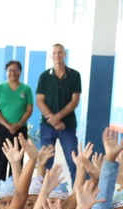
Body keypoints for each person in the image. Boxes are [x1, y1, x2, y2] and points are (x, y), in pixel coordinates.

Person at [35, 44, 82, 177]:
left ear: (65, 54)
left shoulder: (75, 75)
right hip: (47, 126)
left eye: (60, 52)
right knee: (46, 162)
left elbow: (75, 101)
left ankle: (76, 195)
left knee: (74, 162)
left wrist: (58, 117)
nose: (57, 55)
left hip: (68, 126)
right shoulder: (44, 77)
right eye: (54, 53)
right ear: (50, 56)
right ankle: (42, 195)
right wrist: (53, 120)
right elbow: (39, 100)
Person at [0, 60, 34, 183]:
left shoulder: (26, 89)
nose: (13, 73)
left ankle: (15, 191)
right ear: (6, 72)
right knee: (1, 161)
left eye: (16, 70)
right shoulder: (0, 88)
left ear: (20, 72)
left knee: (17, 161)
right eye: (10, 70)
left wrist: (19, 124)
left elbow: (29, 109)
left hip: (20, 130)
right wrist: (7, 125)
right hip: (3, 129)